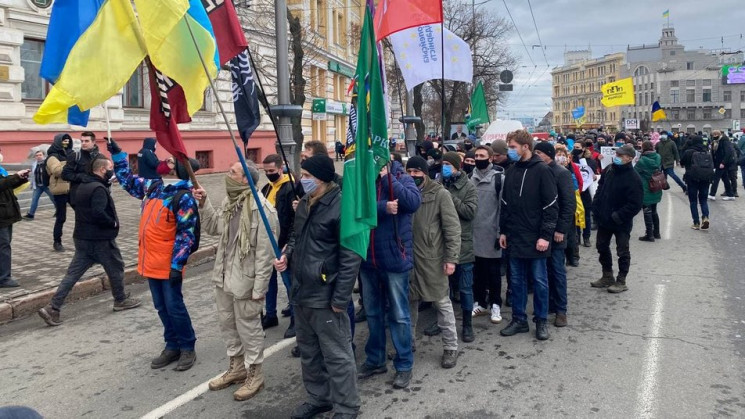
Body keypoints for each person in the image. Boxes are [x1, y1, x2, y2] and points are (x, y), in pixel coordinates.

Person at [273, 154, 362, 419]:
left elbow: (350, 256)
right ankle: (319, 398)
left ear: (321, 178)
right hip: (302, 292)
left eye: (308, 176)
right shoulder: (304, 204)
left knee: (337, 355)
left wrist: (340, 298)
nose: (303, 180)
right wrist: (287, 255)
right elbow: (295, 236)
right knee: (310, 353)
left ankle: (347, 407)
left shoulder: (342, 205)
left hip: (326, 294)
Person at [111, 139, 201, 372]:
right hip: (150, 261)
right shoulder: (154, 187)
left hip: (168, 263)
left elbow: (186, 234)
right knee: (161, 306)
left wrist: (176, 264)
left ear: (178, 170)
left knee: (174, 306)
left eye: (171, 162)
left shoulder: (184, 197)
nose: (166, 163)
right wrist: (119, 156)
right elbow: (127, 181)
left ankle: (187, 346)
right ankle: (172, 345)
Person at [194, 161, 278, 401]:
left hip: (246, 283)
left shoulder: (264, 211)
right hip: (224, 277)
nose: (227, 175)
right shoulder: (232, 203)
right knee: (228, 325)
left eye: (232, 172)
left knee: (249, 329)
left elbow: (265, 255)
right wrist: (204, 202)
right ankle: (237, 368)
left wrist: (259, 290)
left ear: (245, 180)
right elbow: (214, 227)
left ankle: (255, 374)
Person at [38, 157, 141, 325]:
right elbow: (99, 213)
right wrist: (112, 222)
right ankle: (120, 300)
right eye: (110, 168)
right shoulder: (98, 188)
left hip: (81, 237)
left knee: (72, 274)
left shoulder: (82, 186)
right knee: (116, 267)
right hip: (100, 239)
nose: (111, 171)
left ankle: (53, 308)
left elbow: (76, 205)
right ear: (102, 170)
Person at [357, 159, 420, 390]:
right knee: (373, 314)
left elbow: (413, 202)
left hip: (394, 259)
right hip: (368, 259)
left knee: (399, 315)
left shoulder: (402, 179)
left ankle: (404, 365)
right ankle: (375, 359)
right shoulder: (363, 183)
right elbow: (356, 210)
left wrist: (387, 177)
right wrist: (383, 207)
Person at [498, 130, 558, 341]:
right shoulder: (512, 171)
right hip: (515, 236)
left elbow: (551, 206)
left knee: (540, 282)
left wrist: (545, 235)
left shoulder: (542, 170)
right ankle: (519, 319)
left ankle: (541, 320)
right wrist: (503, 231)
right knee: (516, 282)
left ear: (525, 147)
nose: (509, 151)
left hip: (536, 238)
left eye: (513, 147)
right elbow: (505, 204)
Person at [405, 156, 461, 369]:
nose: (413, 176)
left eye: (417, 172)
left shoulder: (440, 194)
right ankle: (407, 344)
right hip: (409, 260)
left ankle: (450, 347)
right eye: (409, 172)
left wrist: (451, 259)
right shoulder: (403, 192)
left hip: (433, 259)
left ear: (425, 173)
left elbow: (452, 228)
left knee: (441, 303)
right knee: (409, 305)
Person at [591, 145, 643, 293]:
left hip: (621, 222)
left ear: (630, 158)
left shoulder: (634, 178)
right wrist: (596, 206)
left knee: (622, 251)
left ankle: (621, 280)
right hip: (604, 218)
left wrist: (618, 216)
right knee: (601, 246)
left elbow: (635, 204)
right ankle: (607, 276)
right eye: (617, 154)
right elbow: (600, 188)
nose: (617, 157)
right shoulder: (609, 169)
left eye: (621, 155)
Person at [534, 142, 575, 327]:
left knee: (557, 271)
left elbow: (568, 205)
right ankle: (548, 305)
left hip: (556, 232)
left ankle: (561, 310)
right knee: (543, 272)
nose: (536, 155)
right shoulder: (539, 171)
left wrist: (561, 229)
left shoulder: (561, 173)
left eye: (539, 153)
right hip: (541, 230)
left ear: (548, 155)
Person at [439, 152, 478, 342]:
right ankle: (442, 321)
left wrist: (448, 197)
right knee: (441, 288)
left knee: (465, 288)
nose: (444, 167)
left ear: (457, 166)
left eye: (448, 164)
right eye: (443, 164)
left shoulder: (468, 186)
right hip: (441, 245)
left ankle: (467, 325)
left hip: (463, 244)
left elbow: (470, 212)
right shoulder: (437, 184)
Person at [260, 154, 298, 338]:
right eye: (266, 171)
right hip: (268, 242)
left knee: (289, 282)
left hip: (283, 243)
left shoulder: (291, 188)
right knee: (268, 280)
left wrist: (288, 244)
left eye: (272, 171)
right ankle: (270, 314)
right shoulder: (266, 189)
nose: (269, 174)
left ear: (281, 168)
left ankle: (296, 319)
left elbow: (294, 219)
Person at [469, 145, 505, 325]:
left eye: (482, 155)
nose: (478, 158)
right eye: (476, 155)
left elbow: (503, 209)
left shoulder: (499, 179)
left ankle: (495, 304)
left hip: (492, 234)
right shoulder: (470, 179)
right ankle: (480, 302)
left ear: (490, 158)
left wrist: (501, 233)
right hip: (474, 235)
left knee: (494, 273)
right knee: (478, 272)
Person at [0, 155, 29, 288]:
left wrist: (19, 179)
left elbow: (7, 185)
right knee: (3, 246)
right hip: (2, 216)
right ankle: (4, 278)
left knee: (4, 245)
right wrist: (15, 176)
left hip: (6, 213)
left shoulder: (1, 170)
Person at [45, 133, 74, 251]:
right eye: (63, 141)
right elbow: (57, 171)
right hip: (60, 190)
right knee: (61, 217)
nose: (66, 143)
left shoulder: (71, 154)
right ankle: (57, 241)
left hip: (73, 188)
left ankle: (82, 240)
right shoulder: (52, 156)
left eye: (67, 141)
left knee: (82, 213)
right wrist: (70, 163)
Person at [681, 135, 714, 230]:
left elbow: (682, 163)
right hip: (705, 179)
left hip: (692, 179)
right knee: (703, 200)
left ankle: (696, 223)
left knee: (693, 201)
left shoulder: (688, 152)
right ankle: (705, 217)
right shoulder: (706, 152)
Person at [62, 131, 101, 205]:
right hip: (80, 196)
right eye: (82, 141)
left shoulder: (100, 157)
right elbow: (65, 174)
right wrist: (81, 176)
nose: (83, 143)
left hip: (97, 194)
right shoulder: (75, 156)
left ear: (93, 142)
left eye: (86, 141)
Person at [635, 141, 663, 242]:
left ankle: (649, 234)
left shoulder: (642, 160)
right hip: (656, 186)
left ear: (643, 148)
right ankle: (657, 232)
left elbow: (635, 172)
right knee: (654, 211)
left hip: (646, 187)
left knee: (647, 211)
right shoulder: (658, 157)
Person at [24, 150, 54, 220]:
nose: (38, 157)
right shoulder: (34, 164)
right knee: (34, 200)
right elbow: (33, 175)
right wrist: (32, 184)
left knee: (53, 199)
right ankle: (31, 214)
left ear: (44, 156)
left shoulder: (47, 163)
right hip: (38, 186)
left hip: (47, 185)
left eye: (40, 155)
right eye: (37, 155)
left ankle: (59, 211)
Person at [709, 131, 735, 201]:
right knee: (725, 178)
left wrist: (723, 162)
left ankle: (712, 194)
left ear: (719, 135)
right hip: (719, 163)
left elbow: (728, 152)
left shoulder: (724, 141)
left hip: (722, 163)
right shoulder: (716, 142)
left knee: (716, 178)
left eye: (716, 134)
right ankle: (730, 194)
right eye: (713, 134)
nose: (714, 136)